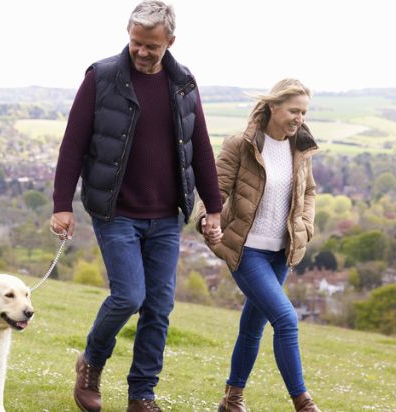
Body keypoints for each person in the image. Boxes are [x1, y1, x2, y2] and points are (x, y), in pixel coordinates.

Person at [51, 2, 223, 411]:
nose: (142, 52)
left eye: (152, 46)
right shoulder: (101, 77)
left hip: (166, 216)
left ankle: (142, 394)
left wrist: (213, 207)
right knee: (128, 296)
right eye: (136, 43)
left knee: (159, 308)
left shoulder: (183, 83)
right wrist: (62, 205)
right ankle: (91, 364)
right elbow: (73, 144)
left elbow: (200, 147)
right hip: (116, 212)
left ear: (170, 42)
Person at [195, 78, 320, 412]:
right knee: (286, 319)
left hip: (281, 253)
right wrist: (208, 219)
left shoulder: (300, 148)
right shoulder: (242, 144)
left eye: (304, 113)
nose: (299, 119)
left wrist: (305, 227)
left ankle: (232, 398)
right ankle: (303, 403)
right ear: (274, 107)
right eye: (294, 111)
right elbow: (215, 189)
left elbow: (309, 191)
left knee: (253, 325)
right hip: (246, 250)